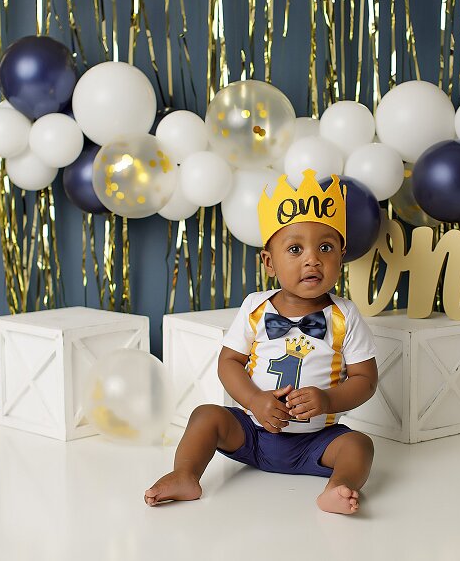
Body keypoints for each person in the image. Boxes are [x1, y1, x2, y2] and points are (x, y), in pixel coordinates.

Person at [144, 169, 379, 514]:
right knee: (206, 416)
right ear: (269, 262)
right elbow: (228, 363)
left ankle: (337, 487)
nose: (312, 259)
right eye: (295, 249)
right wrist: (254, 400)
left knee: (359, 445)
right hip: (253, 434)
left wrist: (327, 398)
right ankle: (185, 474)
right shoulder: (255, 307)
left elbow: (365, 380)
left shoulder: (344, 315)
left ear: (340, 257)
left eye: (325, 247)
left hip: (316, 442)